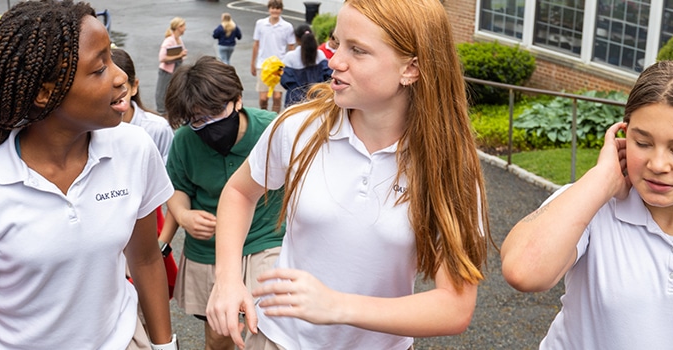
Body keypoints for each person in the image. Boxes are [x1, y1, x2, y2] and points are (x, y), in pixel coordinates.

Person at [207, 0, 492, 348]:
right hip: (276, 340)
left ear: (411, 69)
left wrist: (337, 306)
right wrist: (227, 278)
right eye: (337, 41)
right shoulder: (298, 127)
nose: (334, 60)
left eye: (358, 50)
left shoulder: (449, 166)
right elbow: (239, 193)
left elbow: (454, 307)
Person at [0, 1, 176, 349]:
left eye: (111, 58)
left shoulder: (134, 148)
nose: (120, 76)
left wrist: (164, 346)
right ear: (44, 93)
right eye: (99, 69)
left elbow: (144, 259)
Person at [500, 60, 673, 349]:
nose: (657, 164)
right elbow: (523, 271)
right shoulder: (588, 205)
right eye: (642, 143)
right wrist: (602, 180)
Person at [162, 56, 285, 350]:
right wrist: (184, 215)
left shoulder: (274, 131)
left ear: (238, 100)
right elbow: (178, 186)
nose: (209, 125)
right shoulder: (184, 140)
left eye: (216, 112)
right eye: (197, 119)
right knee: (219, 335)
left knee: (267, 331)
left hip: (264, 240)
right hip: (207, 250)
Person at [113, 47, 179, 297]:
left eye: (122, 87)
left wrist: (163, 239)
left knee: (148, 295)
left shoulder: (156, 129)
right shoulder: (87, 131)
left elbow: (168, 186)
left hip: (146, 226)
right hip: (108, 231)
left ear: (135, 86)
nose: (117, 96)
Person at [250, 0, 295, 113]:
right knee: (263, 98)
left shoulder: (287, 26)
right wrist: (253, 63)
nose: (275, 11)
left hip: (279, 66)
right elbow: (256, 44)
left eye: (278, 8)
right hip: (262, 64)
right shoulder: (260, 23)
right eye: (273, 8)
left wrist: (291, 66)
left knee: (277, 97)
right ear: (269, 9)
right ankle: (263, 114)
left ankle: (274, 119)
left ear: (281, 10)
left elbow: (291, 47)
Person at [279, 24, 331, 108]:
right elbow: (328, 76)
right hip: (318, 99)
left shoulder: (290, 57)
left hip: (295, 102)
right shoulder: (320, 55)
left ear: (297, 39)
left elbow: (285, 82)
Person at [156, 17, 189, 114]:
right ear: (179, 27)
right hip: (167, 70)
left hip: (176, 69)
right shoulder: (169, 41)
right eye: (183, 26)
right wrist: (179, 55)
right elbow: (162, 58)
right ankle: (162, 112)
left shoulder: (179, 39)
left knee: (175, 90)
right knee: (162, 91)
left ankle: (172, 110)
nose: (185, 28)